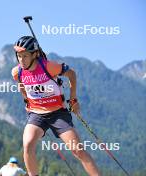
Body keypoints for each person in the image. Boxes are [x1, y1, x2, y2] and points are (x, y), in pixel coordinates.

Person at [11, 36, 101, 176]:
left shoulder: (48, 66)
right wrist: (27, 101)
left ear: (34, 54)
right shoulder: (18, 72)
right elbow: (22, 86)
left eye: (25, 56)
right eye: (19, 56)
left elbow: (71, 74)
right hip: (36, 115)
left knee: (77, 150)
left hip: (58, 113)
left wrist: (73, 99)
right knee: (28, 144)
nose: (21, 60)